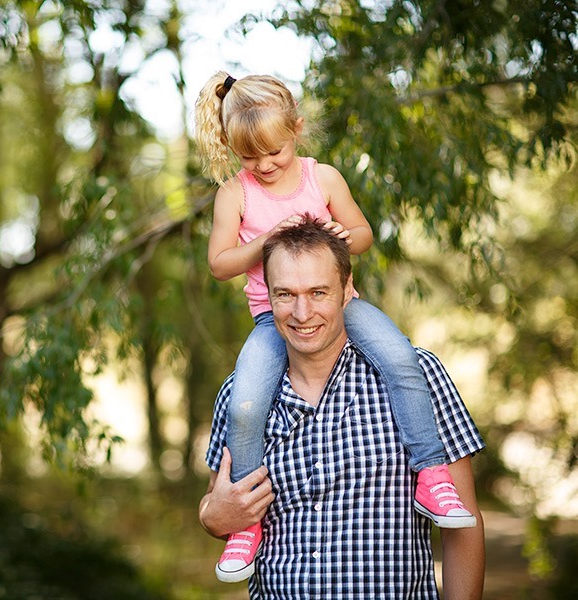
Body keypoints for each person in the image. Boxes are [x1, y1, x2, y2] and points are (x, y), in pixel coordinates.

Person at [194, 72, 476, 583]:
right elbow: (219, 263)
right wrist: (269, 240)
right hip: (267, 316)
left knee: (400, 358)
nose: (263, 165)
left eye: (274, 151)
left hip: (346, 302)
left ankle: (432, 474)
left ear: (296, 129)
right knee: (248, 398)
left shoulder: (321, 178)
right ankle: (247, 527)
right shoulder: (235, 194)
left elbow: (363, 233)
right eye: (249, 156)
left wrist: (339, 237)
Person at [198, 216, 486, 598]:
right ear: (267, 295)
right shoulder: (242, 395)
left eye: (318, 292)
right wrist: (212, 517)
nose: (302, 314)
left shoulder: (417, 376)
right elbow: (217, 506)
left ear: (347, 289)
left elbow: (462, 525)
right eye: (285, 294)